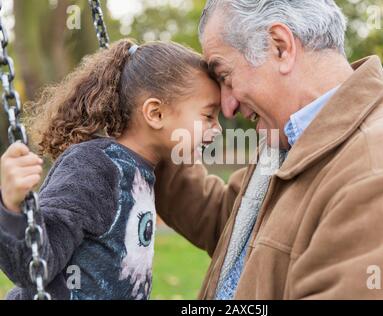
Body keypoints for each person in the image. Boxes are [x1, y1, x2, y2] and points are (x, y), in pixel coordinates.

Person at [154, 0, 383, 299]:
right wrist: (149, 133)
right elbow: (231, 225)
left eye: (225, 76)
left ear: (280, 46)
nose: (228, 106)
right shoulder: (295, 138)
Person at [0, 39, 222, 299]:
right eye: (208, 116)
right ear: (156, 113)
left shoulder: (142, 168)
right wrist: (12, 207)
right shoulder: (93, 167)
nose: (217, 129)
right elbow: (36, 265)